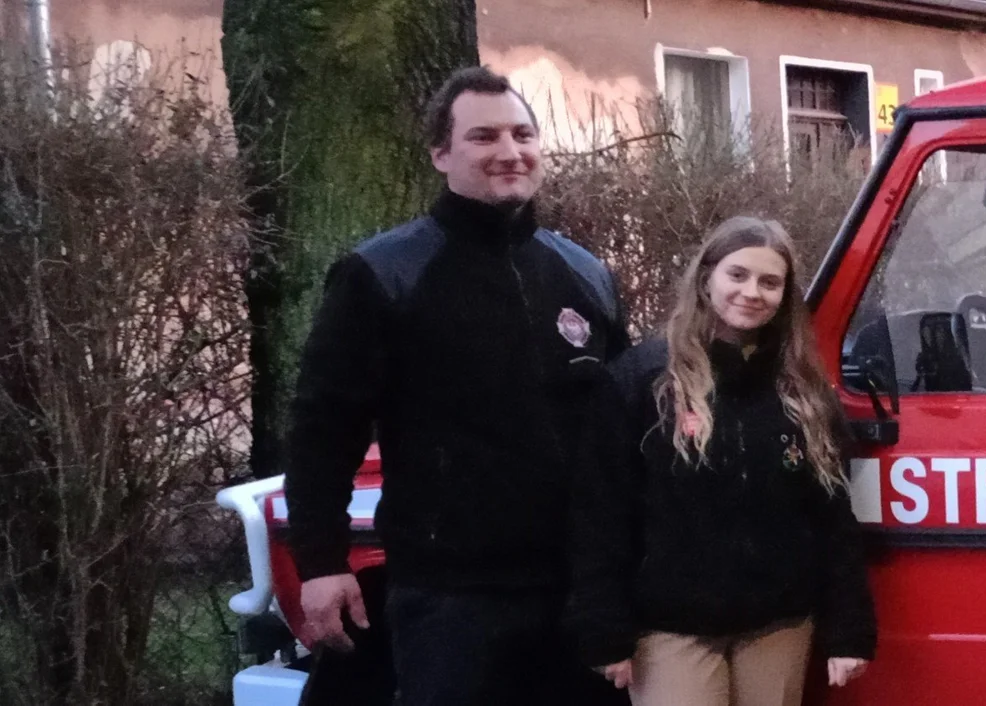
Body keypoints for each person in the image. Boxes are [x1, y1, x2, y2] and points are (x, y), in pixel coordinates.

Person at [284, 65, 631, 706]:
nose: (510, 151)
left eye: (522, 134)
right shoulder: (383, 274)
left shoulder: (585, 275)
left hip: (577, 592)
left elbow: (625, 430)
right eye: (483, 136)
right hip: (451, 600)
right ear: (440, 154)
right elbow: (322, 428)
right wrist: (321, 562)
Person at [567, 216, 877, 706]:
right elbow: (601, 513)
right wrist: (602, 627)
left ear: (784, 296)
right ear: (707, 277)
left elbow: (832, 517)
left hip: (779, 623)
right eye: (738, 275)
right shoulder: (642, 380)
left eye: (769, 282)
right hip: (670, 627)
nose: (752, 292)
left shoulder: (803, 390)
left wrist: (848, 630)